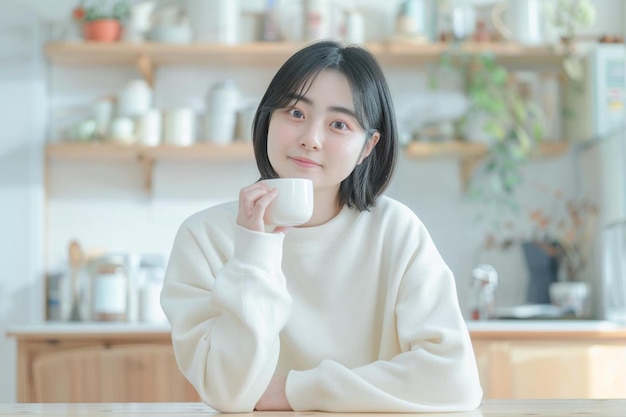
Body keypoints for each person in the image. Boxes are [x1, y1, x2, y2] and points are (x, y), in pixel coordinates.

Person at [160, 40, 482, 413]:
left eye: (339, 124)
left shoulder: (396, 231)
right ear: (267, 119)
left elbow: (455, 381)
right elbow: (230, 394)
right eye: (295, 112)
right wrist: (253, 253)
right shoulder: (203, 238)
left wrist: (293, 391)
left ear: (367, 147)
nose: (310, 139)